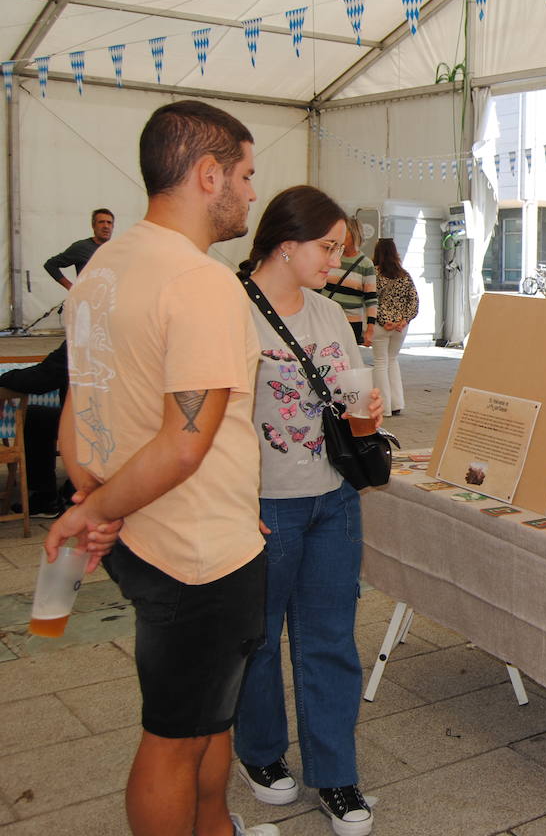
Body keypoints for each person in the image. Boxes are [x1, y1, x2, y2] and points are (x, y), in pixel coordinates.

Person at [46, 100, 278, 835]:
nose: (250, 190)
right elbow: (184, 444)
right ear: (208, 175)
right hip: (195, 554)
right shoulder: (200, 281)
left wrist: (96, 494)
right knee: (173, 738)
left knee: (209, 716)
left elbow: (80, 416)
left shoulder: (103, 267)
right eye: (244, 173)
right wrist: (93, 512)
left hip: (157, 534)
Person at [235, 185, 385, 836]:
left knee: (330, 639)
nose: (337, 261)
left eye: (341, 250)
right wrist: (234, 502)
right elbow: (216, 421)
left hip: (333, 500)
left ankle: (336, 774)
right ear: (286, 244)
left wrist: (366, 417)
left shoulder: (328, 314)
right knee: (258, 639)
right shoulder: (233, 311)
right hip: (263, 502)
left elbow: (348, 399)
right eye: (328, 248)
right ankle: (261, 753)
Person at [0, 343, 70, 517]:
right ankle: (70, 488)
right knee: (41, 416)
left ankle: (46, 498)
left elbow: (42, 378)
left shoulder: (84, 336)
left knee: (35, 418)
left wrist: (4, 379)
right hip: (123, 417)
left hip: (92, 421)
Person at [372, 237, 419, 416]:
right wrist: (404, 320)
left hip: (381, 325)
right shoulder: (404, 275)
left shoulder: (374, 273)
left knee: (380, 362)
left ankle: (383, 407)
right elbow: (414, 300)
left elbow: (371, 300)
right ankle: (397, 403)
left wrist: (385, 320)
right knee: (392, 360)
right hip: (401, 327)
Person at [321, 217, 377, 348]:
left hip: (351, 322)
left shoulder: (366, 264)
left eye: (344, 232)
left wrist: (370, 328)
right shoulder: (332, 256)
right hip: (326, 317)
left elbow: (371, 298)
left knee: (346, 360)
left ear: (354, 234)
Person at [45, 208, 115, 290]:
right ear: (93, 226)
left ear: (113, 227)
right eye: (101, 222)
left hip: (112, 301)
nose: (106, 226)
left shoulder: (117, 249)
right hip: (87, 301)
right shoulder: (82, 247)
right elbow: (50, 265)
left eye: (109, 223)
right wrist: (71, 287)